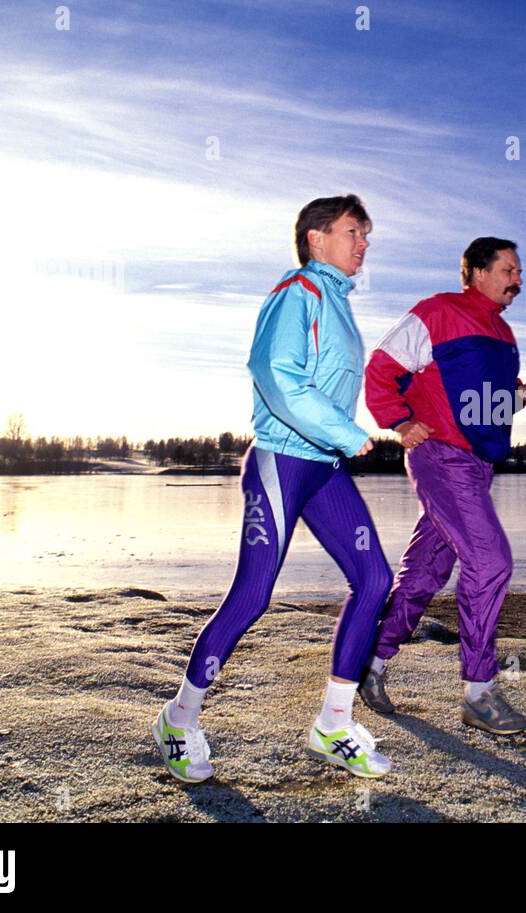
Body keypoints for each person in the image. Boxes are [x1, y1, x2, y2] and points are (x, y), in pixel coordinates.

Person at [153, 194, 394, 781]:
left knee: (375, 579)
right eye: (351, 232)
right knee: (254, 594)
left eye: (366, 234)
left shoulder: (336, 303)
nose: (363, 243)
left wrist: (340, 438)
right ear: (316, 237)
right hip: (282, 462)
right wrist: (344, 430)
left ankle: (334, 722)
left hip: (324, 467)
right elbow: (275, 375)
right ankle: (178, 720)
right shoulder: (298, 294)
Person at [360, 237, 526, 734]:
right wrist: (400, 421)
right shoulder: (437, 312)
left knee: (425, 572)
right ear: (477, 272)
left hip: (477, 466)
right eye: (509, 268)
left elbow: (489, 407)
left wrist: (524, 394)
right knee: (490, 562)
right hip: (440, 457)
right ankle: (479, 692)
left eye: (519, 269)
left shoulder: (505, 335)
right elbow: (381, 369)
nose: (518, 278)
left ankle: (370, 663)